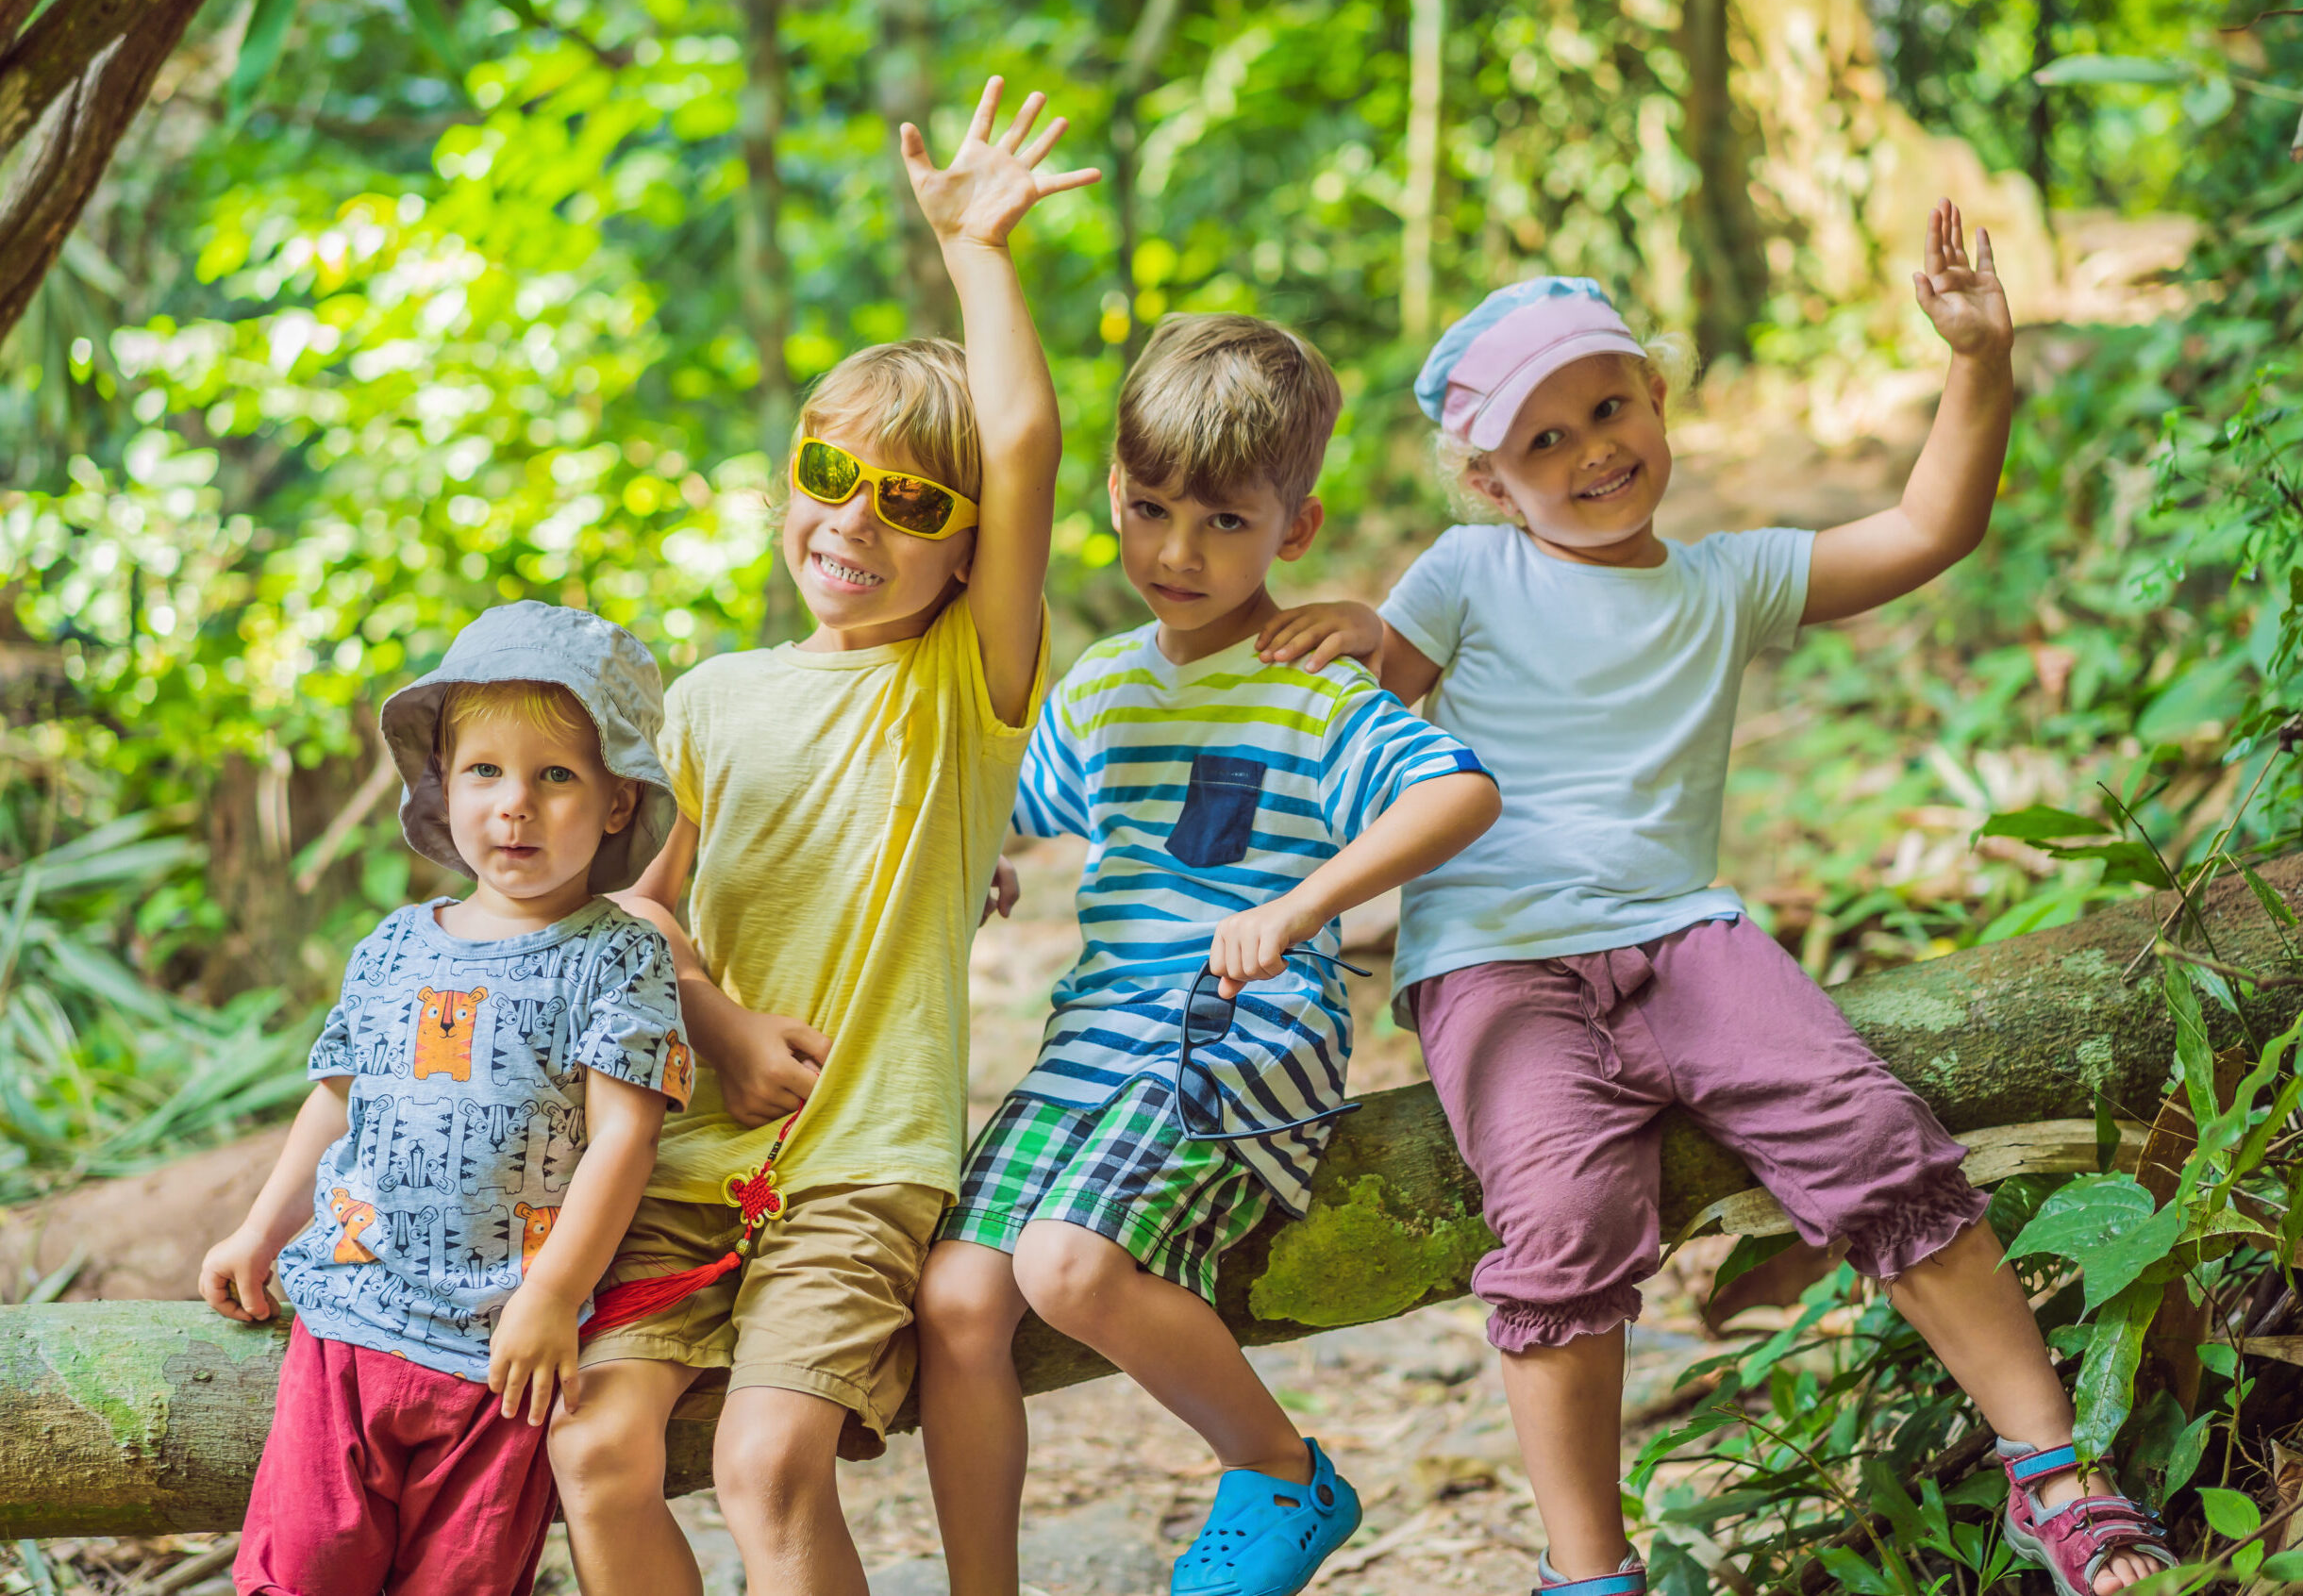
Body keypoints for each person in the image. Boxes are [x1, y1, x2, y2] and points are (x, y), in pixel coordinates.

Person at [1257, 204, 2173, 1596]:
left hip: (1685, 935)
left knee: (1874, 1138)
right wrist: (1345, 639)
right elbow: (1381, 680)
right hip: (1499, 959)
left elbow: (1932, 525)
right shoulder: (1468, 572)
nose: (1590, 449)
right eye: (1542, 440)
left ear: (1657, 396)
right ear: (1490, 482)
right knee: (1561, 1224)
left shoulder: (1727, 579)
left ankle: (2051, 1468)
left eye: (1608, 404)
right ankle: (1587, 1571)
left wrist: (1979, 359)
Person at [540, 77, 1095, 1596]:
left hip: (856, 1162)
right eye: (829, 471)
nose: (854, 517)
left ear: (968, 546)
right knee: (594, 1453)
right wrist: (714, 1022)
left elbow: (1028, 440)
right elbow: (634, 915)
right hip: (675, 1155)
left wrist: (978, 246)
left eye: (911, 498)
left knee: (765, 1461)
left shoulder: (962, 690)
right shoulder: (711, 697)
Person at [915, 311, 1503, 1596]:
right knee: (957, 1299)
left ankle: (1283, 1467)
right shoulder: (1109, 683)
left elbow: (1456, 792)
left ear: (1292, 528)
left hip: (1241, 1028)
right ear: (1115, 496)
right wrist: (990, 852)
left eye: (1225, 521)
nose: (1177, 552)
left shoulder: (1312, 685)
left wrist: (1308, 906)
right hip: (1097, 1035)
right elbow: (1013, 806)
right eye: (1153, 510)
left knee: (1065, 1262)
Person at [198, 601, 693, 1596]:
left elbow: (622, 1143)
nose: (515, 805)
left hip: (501, 1356)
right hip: (347, 1323)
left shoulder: (621, 956)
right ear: (444, 787)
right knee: (302, 1570)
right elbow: (337, 1102)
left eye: (556, 776)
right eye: (485, 772)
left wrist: (553, 1299)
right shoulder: (392, 945)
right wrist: (259, 1231)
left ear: (615, 805)